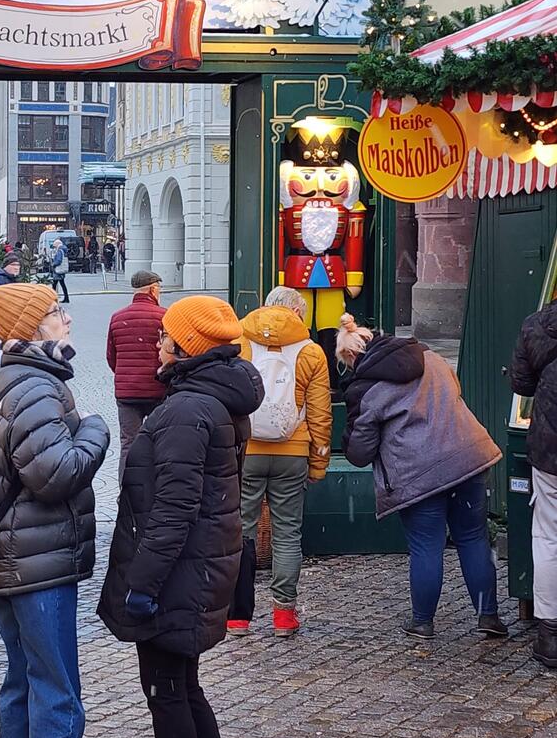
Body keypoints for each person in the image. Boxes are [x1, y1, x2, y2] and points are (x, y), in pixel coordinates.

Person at [98, 296, 263, 738]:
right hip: (197, 568)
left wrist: (141, 585)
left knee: (168, 692)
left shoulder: (187, 411)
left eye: (166, 335)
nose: (158, 343)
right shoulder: (206, 402)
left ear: (187, 346)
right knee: (183, 689)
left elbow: (172, 510)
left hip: (179, 575)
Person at [0, 283, 109, 738]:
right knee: (55, 686)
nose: (65, 320)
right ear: (32, 328)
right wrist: (97, 430)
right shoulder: (33, 386)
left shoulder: (18, 379)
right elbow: (55, 474)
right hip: (38, 562)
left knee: (22, 681)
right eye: (56, 313)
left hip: (17, 556)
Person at [338, 314, 507, 640]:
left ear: (353, 358)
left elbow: (359, 453)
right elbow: (453, 394)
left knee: (426, 546)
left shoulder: (369, 390)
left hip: (419, 475)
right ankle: (489, 616)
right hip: (466, 459)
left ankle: (423, 621)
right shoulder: (432, 358)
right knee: (473, 538)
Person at [227, 286, 333, 638]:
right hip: (292, 452)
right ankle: (284, 615)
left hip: (248, 450)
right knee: (288, 533)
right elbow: (320, 414)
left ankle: (237, 616)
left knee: (239, 531)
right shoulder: (312, 352)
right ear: (297, 314)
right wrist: (318, 462)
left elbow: (228, 399)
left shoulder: (241, 341)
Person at [509, 299, 557, 668]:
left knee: (548, 538)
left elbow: (522, 384)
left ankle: (550, 634)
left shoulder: (536, 323)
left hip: (549, 448)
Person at [106, 269, 166, 480]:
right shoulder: (163, 316)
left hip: (127, 392)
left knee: (128, 443)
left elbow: (111, 357)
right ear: (153, 289)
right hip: (157, 390)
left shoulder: (117, 317)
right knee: (160, 440)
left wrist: (126, 374)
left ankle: (126, 491)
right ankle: (156, 487)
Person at [49, 238, 71, 304]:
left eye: (55, 246)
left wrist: (53, 264)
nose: (55, 248)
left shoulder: (59, 251)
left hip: (58, 269)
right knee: (62, 284)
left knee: (54, 284)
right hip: (62, 269)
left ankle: (53, 299)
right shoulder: (64, 250)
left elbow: (58, 260)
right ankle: (66, 298)